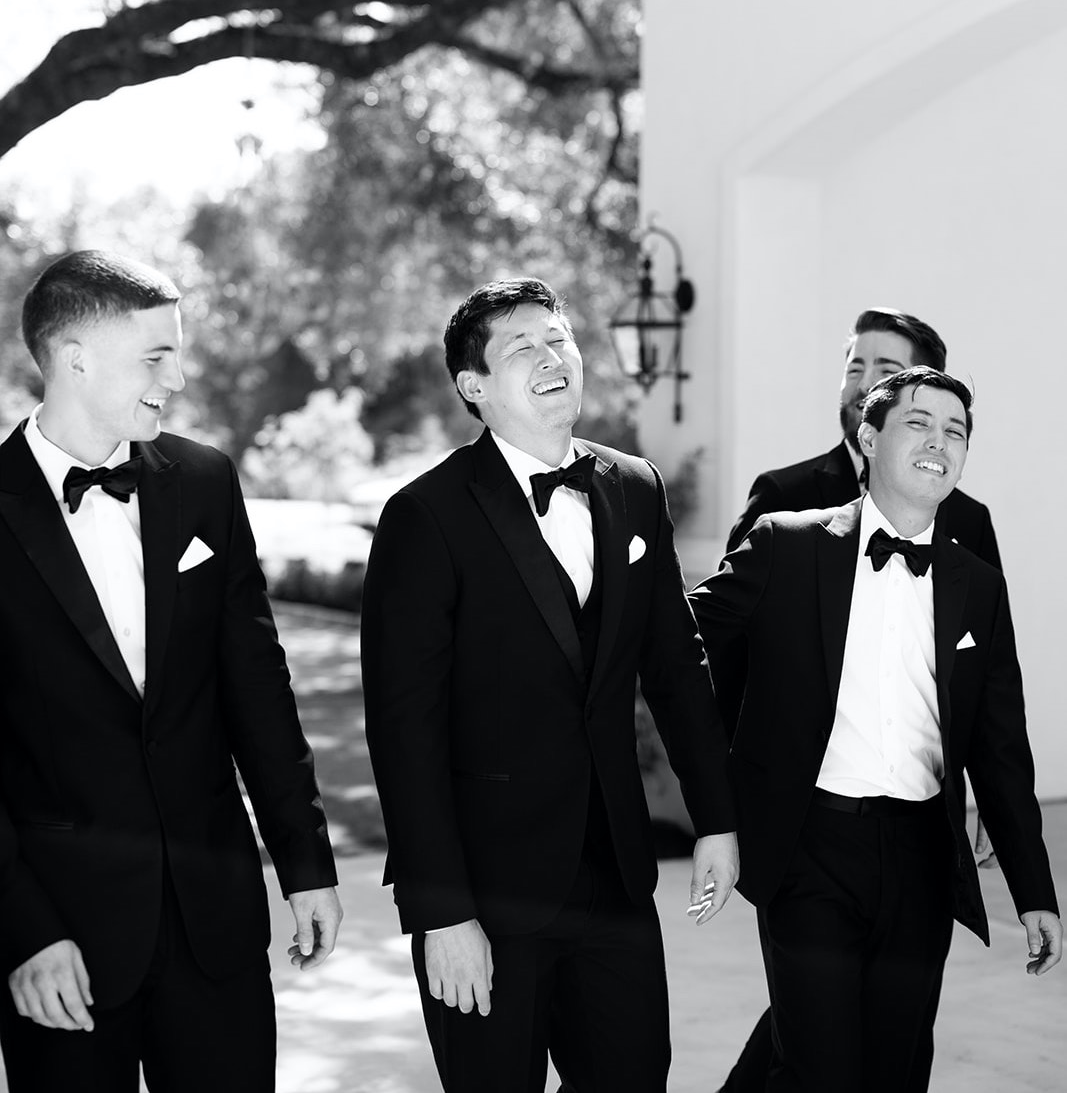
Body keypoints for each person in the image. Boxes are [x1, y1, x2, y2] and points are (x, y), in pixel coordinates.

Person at [361, 277, 738, 1092]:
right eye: (520, 348)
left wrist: (716, 817)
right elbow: (403, 729)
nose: (549, 357)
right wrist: (442, 913)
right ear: (475, 389)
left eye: (557, 339)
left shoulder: (634, 486)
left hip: (614, 880)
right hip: (484, 895)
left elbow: (676, 666)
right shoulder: (424, 517)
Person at [0, 250, 342, 1092]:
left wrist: (306, 867)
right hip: (61, 947)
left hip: (215, 924)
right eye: (157, 356)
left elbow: (257, 692)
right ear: (76, 357)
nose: (180, 378)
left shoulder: (203, 482)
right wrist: (23, 934)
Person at [690, 366, 1061, 1093]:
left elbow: (998, 747)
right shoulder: (786, 545)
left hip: (923, 857)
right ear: (867, 438)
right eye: (918, 424)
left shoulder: (977, 585)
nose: (939, 442)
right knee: (816, 1067)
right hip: (809, 848)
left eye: (954, 431)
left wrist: (1033, 891)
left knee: (897, 1068)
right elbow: (680, 646)